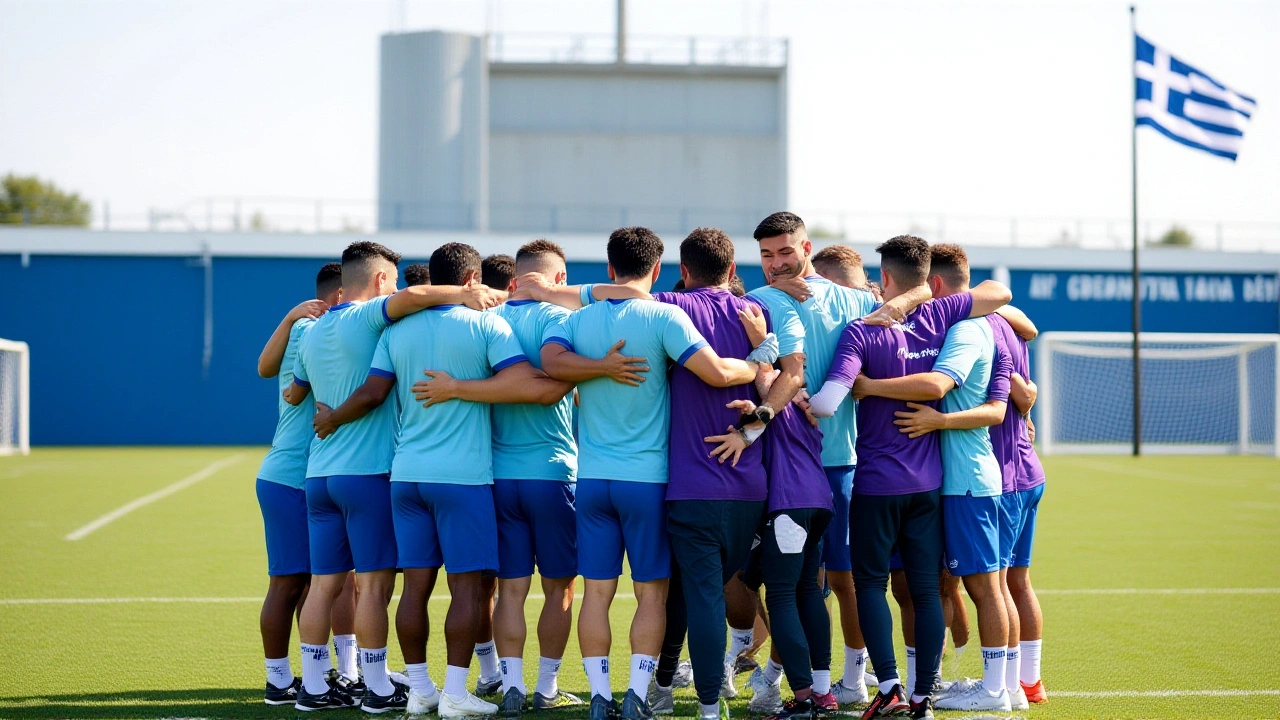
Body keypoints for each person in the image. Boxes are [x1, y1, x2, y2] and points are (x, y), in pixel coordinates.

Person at [538, 227, 774, 720]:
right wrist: (760, 359)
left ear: (608, 269)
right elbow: (716, 373)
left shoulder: (577, 319)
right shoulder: (666, 314)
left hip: (593, 478)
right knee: (652, 593)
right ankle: (638, 698)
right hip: (648, 480)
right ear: (661, 269)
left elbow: (551, 362)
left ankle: (600, 697)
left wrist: (600, 367)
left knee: (597, 593)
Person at [411, 239, 643, 715]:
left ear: (513, 279)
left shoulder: (486, 320)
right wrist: (595, 372)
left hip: (496, 475)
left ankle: (511, 685)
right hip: (553, 472)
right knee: (560, 588)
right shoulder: (561, 318)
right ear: (558, 280)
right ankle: (546, 687)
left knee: (511, 588)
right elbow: (565, 371)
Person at [283, 241, 503, 712]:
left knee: (323, 584)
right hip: (366, 472)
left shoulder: (314, 331)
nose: (401, 288)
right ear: (382, 280)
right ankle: (378, 685)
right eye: (395, 280)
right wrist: (464, 296)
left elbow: (292, 393)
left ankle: (315, 685)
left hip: (318, 473)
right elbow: (413, 301)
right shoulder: (371, 317)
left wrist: (327, 413)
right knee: (375, 585)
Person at [807, 235, 1012, 720]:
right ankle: (924, 698)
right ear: (927, 280)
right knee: (924, 587)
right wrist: (917, 297)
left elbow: (829, 402)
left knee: (871, 584)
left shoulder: (862, 332)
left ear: (884, 278)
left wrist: (794, 397)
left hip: (876, 483)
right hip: (929, 484)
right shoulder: (945, 316)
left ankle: (890, 687)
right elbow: (1000, 294)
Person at [747, 213, 925, 706]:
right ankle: (830, 680)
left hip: (818, 465)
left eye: (786, 252)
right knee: (812, 584)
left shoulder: (844, 298)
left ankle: (833, 680)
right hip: (808, 463)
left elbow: (924, 294)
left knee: (812, 583)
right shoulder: (766, 300)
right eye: (767, 255)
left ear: (806, 248)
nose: (777, 263)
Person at [253, 263, 339, 705]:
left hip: (301, 476)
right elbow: (266, 370)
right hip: (291, 477)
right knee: (288, 582)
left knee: (311, 583)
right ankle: (278, 679)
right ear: (339, 296)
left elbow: (265, 369)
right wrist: (290, 319)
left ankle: (314, 677)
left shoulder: (316, 329)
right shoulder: (311, 331)